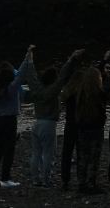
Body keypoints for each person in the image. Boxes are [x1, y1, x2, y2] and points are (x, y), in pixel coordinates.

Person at [25, 49, 82, 187]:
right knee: (49, 154)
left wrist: (30, 61)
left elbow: (31, 78)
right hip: (49, 123)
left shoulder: (36, 89)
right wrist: (69, 60)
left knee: (36, 153)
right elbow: (62, 77)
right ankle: (46, 179)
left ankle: (35, 178)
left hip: (37, 123)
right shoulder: (53, 90)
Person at [0, 45, 33, 188]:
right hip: (10, 121)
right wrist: (27, 58)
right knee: (9, 151)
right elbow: (21, 74)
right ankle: (5, 179)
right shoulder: (12, 88)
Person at [70, 67, 108, 195]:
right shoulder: (100, 93)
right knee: (94, 157)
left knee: (83, 156)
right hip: (96, 128)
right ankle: (91, 183)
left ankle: (82, 182)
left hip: (83, 128)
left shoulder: (80, 93)